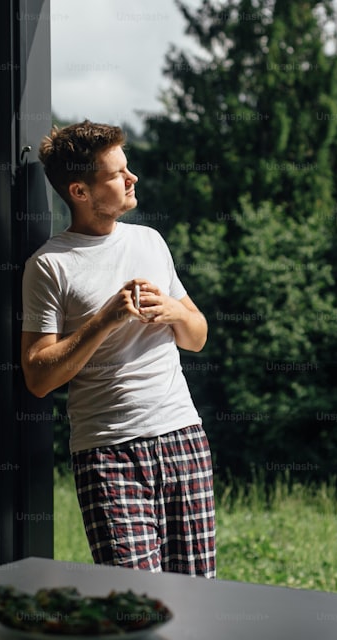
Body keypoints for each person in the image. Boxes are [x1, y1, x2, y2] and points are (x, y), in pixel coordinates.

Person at [20, 120, 216, 577]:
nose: (133, 179)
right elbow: (38, 376)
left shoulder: (150, 241)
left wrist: (175, 312)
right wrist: (107, 318)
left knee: (200, 594)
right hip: (108, 454)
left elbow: (197, 336)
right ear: (80, 191)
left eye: (128, 169)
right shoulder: (49, 266)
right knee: (137, 603)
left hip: (183, 437)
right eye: (117, 173)